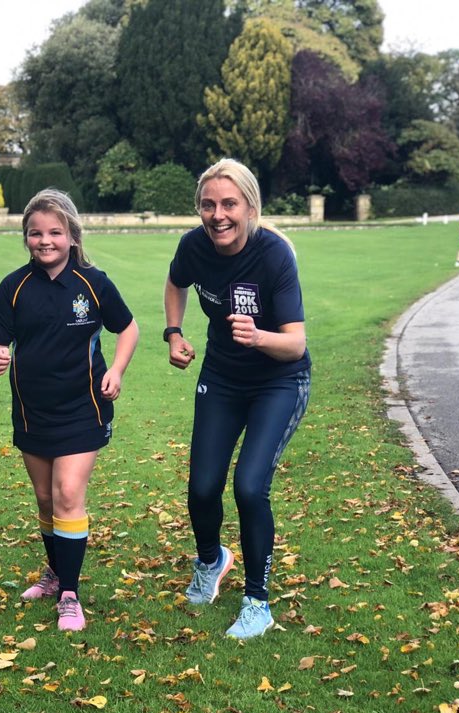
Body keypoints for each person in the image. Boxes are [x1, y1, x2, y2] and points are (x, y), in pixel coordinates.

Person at [163, 158, 311, 640]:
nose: (218, 214)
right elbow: (175, 282)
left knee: (249, 486)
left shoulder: (273, 256)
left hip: (278, 382)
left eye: (229, 203)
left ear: (250, 207)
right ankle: (212, 561)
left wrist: (258, 337)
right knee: (202, 487)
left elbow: (295, 344)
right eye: (208, 204)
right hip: (222, 380)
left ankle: (257, 601)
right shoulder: (194, 247)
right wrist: (174, 333)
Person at [0, 188, 139, 632]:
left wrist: (119, 371)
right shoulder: (13, 287)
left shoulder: (93, 282)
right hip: (33, 412)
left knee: (69, 492)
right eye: (36, 233)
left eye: (55, 232)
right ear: (26, 238)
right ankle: (55, 573)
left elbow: (128, 329)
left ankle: (70, 594)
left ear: (72, 236)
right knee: (47, 498)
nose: (45, 240)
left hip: (84, 408)